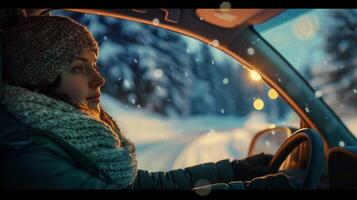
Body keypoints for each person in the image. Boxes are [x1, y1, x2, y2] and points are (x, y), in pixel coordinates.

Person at [0, 15, 297, 189]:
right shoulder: (27, 156)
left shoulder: (57, 137)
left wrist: (235, 170)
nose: (98, 79)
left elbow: (146, 185)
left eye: (94, 65)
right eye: (78, 68)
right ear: (41, 77)